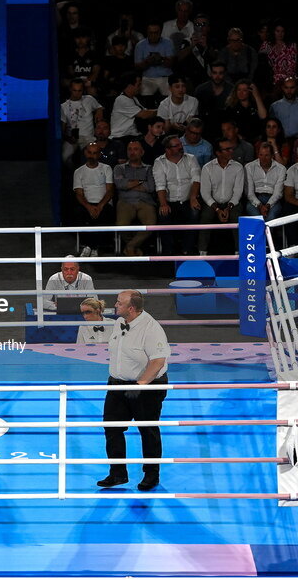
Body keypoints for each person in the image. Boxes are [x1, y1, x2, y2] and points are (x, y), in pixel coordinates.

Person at [97, 290, 170, 492]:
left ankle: (151, 475)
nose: (115, 305)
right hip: (118, 385)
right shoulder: (119, 322)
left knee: (148, 430)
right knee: (112, 428)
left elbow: (158, 361)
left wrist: (141, 384)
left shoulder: (151, 328)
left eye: (119, 303)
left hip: (147, 387)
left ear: (131, 308)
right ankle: (117, 474)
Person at [153, 134, 201, 255]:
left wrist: (193, 197)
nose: (181, 147)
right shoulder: (159, 162)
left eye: (180, 144)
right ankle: (168, 252)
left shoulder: (191, 158)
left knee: (195, 212)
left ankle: (187, 249)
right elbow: (160, 185)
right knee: (164, 215)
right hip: (169, 201)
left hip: (188, 199)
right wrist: (163, 204)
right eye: (177, 145)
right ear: (168, 150)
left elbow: (196, 179)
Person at [198, 138, 244, 255]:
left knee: (236, 217)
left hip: (232, 203)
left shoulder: (238, 167)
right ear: (218, 153)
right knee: (206, 215)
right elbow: (205, 193)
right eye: (227, 149)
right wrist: (217, 209)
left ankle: (239, 252)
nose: (231, 151)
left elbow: (238, 192)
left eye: (231, 148)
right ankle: (202, 252)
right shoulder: (207, 168)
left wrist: (228, 208)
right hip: (213, 203)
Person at [114, 140, 157, 257]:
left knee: (151, 225)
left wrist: (130, 184)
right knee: (121, 226)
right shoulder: (119, 168)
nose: (132, 152)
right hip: (125, 202)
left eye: (135, 149)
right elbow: (120, 185)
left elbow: (151, 187)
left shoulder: (149, 168)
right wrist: (141, 182)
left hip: (145, 202)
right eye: (130, 149)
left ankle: (130, 247)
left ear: (142, 152)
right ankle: (133, 247)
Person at [73, 141, 115, 258]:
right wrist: (89, 207)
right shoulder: (78, 172)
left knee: (104, 214)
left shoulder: (107, 168)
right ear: (86, 153)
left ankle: (91, 246)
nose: (92, 156)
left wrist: (100, 206)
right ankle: (92, 246)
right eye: (90, 153)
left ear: (99, 154)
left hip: (103, 203)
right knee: (79, 213)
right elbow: (79, 194)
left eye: (95, 153)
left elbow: (110, 191)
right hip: (86, 203)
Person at [245, 142, 287, 221]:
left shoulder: (281, 169)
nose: (263, 158)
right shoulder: (249, 167)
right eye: (261, 155)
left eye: (266, 155)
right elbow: (249, 193)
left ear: (272, 156)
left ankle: (268, 233)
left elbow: (278, 193)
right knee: (257, 219)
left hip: (273, 199)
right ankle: (260, 234)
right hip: (255, 198)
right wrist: (260, 206)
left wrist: (267, 206)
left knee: (271, 218)